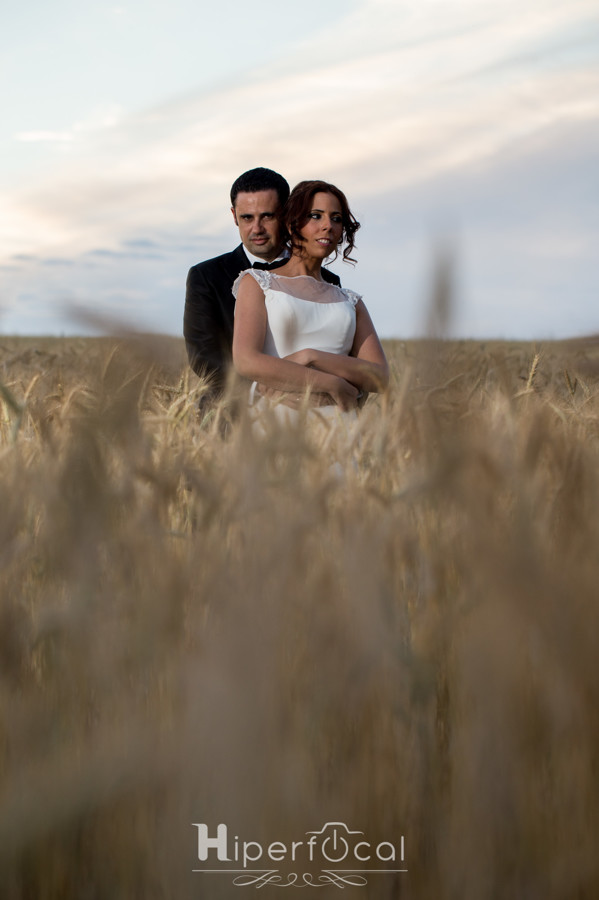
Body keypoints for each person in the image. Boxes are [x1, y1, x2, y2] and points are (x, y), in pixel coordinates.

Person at [232, 180, 388, 422]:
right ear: (292, 223)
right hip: (276, 420)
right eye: (316, 216)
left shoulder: (350, 302)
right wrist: (330, 383)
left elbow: (380, 376)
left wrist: (311, 356)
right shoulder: (257, 283)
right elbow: (246, 361)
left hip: (338, 426)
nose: (328, 226)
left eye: (336, 219)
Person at [183, 167, 341, 401]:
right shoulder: (206, 276)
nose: (256, 228)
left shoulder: (328, 281)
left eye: (267, 216)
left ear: (288, 214)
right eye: (247, 217)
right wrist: (270, 392)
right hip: (234, 412)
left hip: (316, 406)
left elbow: (338, 352)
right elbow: (205, 358)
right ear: (234, 216)